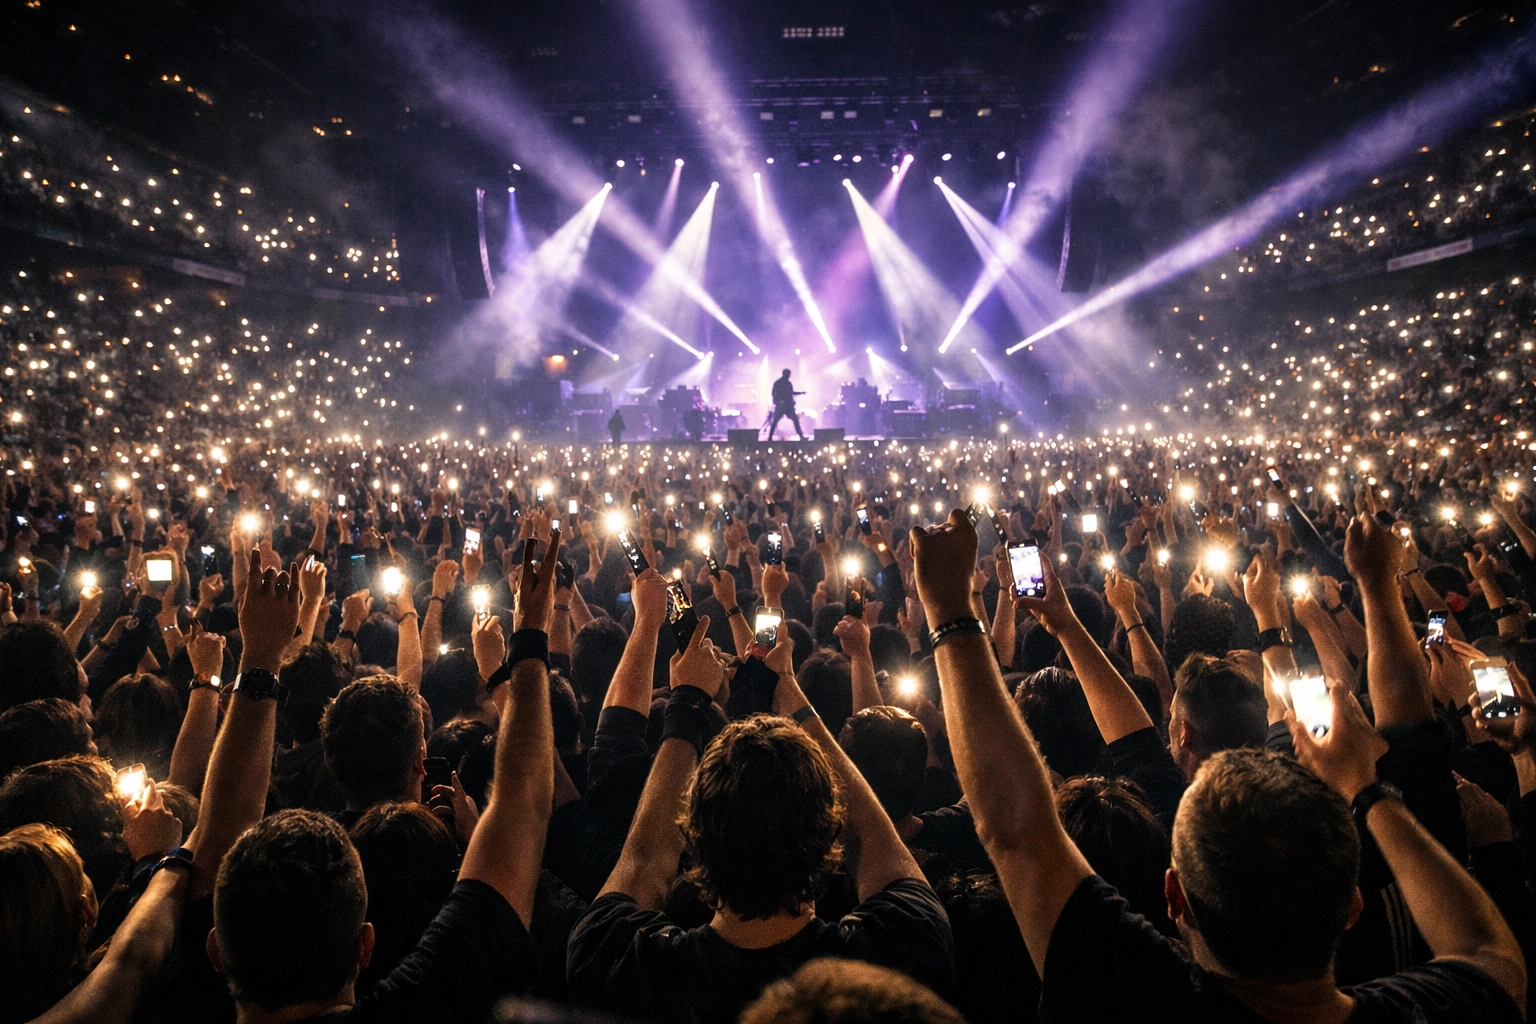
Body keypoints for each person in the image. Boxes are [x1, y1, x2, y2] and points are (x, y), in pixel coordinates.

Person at [909, 508, 1527, 1023]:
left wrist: (974, 614)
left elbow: (1019, 829)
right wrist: (1368, 794)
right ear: (1352, 904)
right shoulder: (1431, 1010)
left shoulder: (1148, 1001)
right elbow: (1486, 947)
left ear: (1175, 895)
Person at [566, 591, 954, 1022]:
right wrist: (791, 695)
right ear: (830, 834)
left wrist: (688, 703)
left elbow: (645, 859)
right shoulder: (901, 953)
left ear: (692, 838)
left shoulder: (617, 963)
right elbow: (871, 834)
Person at [768, 369, 806, 441]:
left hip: (786, 405)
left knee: (793, 420)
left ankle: (801, 436)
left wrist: (800, 393)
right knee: (777, 421)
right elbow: (773, 393)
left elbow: (790, 393)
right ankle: (801, 437)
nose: (789, 376)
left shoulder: (783, 383)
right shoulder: (781, 383)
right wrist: (776, 401)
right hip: (783, 405)